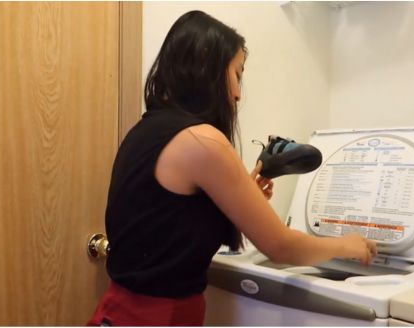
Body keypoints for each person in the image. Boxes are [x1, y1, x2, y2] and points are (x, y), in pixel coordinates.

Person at [87, 10, 377, 326]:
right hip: (157, 318)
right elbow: (280, 246)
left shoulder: (146, 131)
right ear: (206, 69)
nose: (238, 94)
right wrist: (347, 245)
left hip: (116, 312)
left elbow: (164, 229)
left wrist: (241, 200)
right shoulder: (202, 141)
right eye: (237, 74)